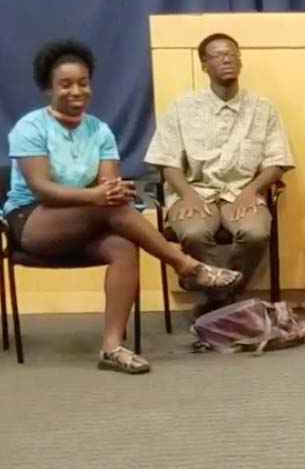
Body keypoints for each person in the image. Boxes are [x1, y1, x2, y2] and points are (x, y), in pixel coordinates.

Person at [3, 40, 240, 373]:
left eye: (83, 83)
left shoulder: (99, 130)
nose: (77, 91)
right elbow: (43, 189)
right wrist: (99, 197)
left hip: (85, 219)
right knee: (108, 206)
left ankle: (112, 347)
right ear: (48, 89)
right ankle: (186, 265)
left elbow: (108, 189)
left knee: (123, 245)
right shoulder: (30, 127)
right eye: (66, 84)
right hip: (31, 221)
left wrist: (109, 193)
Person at [145, 33, 294, 312]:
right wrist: (186, 195)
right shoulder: (182, 108)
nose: (227, 59)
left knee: (255, 233)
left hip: (242, 190)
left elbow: (278, 160)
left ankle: (216, 297)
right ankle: (227, 301)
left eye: (232, 54)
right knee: (193, 233)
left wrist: (251, 191)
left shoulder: (262, 108)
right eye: (217, 55)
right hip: (195, 189)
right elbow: (167, 162)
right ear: (203, 64)